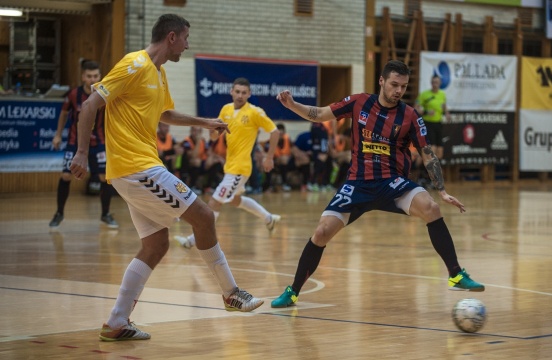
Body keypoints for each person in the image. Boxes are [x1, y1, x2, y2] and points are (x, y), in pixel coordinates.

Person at [69, 14, 263, 341]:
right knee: (203, 216)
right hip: (136, 167)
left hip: (138, 168)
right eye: (186, 38)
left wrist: (206, 122)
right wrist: (80, 153)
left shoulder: (158, 75)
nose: (188, 45)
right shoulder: (134, 64)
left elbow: (165, 114)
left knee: (156, 244)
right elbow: (90, 104)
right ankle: (231, 293)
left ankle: (117, 321)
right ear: (171, 37)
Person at [271, 60, 484, 308]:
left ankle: (456, 274)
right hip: (358, 183)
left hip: (392, 183)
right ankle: (293, 291)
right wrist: (292, 104)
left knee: (431, 208)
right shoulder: (359, 102)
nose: (398, 91)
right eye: (394, 84)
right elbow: (319, 114)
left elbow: (427, 154)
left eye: (403, 87)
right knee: (321, 232)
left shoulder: (411, 116)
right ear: (381, 81)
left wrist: (442, 191)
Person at [174, 77, 282, 249]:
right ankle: (269, 218)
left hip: (240, 168)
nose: (240, 95)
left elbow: (275, 132)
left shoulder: (255, 112)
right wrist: (214, 133)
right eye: (237, 91)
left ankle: (192, 240)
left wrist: (269, 157)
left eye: (244, 92)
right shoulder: (226, 109)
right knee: (234, 199)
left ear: (249, 94)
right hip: (230, 166)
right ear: (231, 92)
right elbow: (215, 135)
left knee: (214, 202)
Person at [49, 60, 118, 229]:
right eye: (89, 76)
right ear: (83, 77)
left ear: (100, 76)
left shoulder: (106, 94)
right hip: (75, 143)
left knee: (104, 178)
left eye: (95, 76)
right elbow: (63, 114)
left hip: (99, 143)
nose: (92, 79)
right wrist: (58, 135)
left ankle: (105, 214)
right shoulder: (73, 95)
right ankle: (59, 213)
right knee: (66, 176)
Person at [415, 74, 450, 161]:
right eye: (433, 82)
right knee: (432, 150)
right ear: (431, 83)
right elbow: (416, 107)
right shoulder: (424, 94)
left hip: (438, 123)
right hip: (428, 123)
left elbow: (444, 105)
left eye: (437, 82)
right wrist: (426, 112)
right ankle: (426, 172)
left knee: (440, 153)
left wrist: (447, 113)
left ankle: (430, 170)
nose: (435, 84)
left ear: (440, 83)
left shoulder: (442, 94)